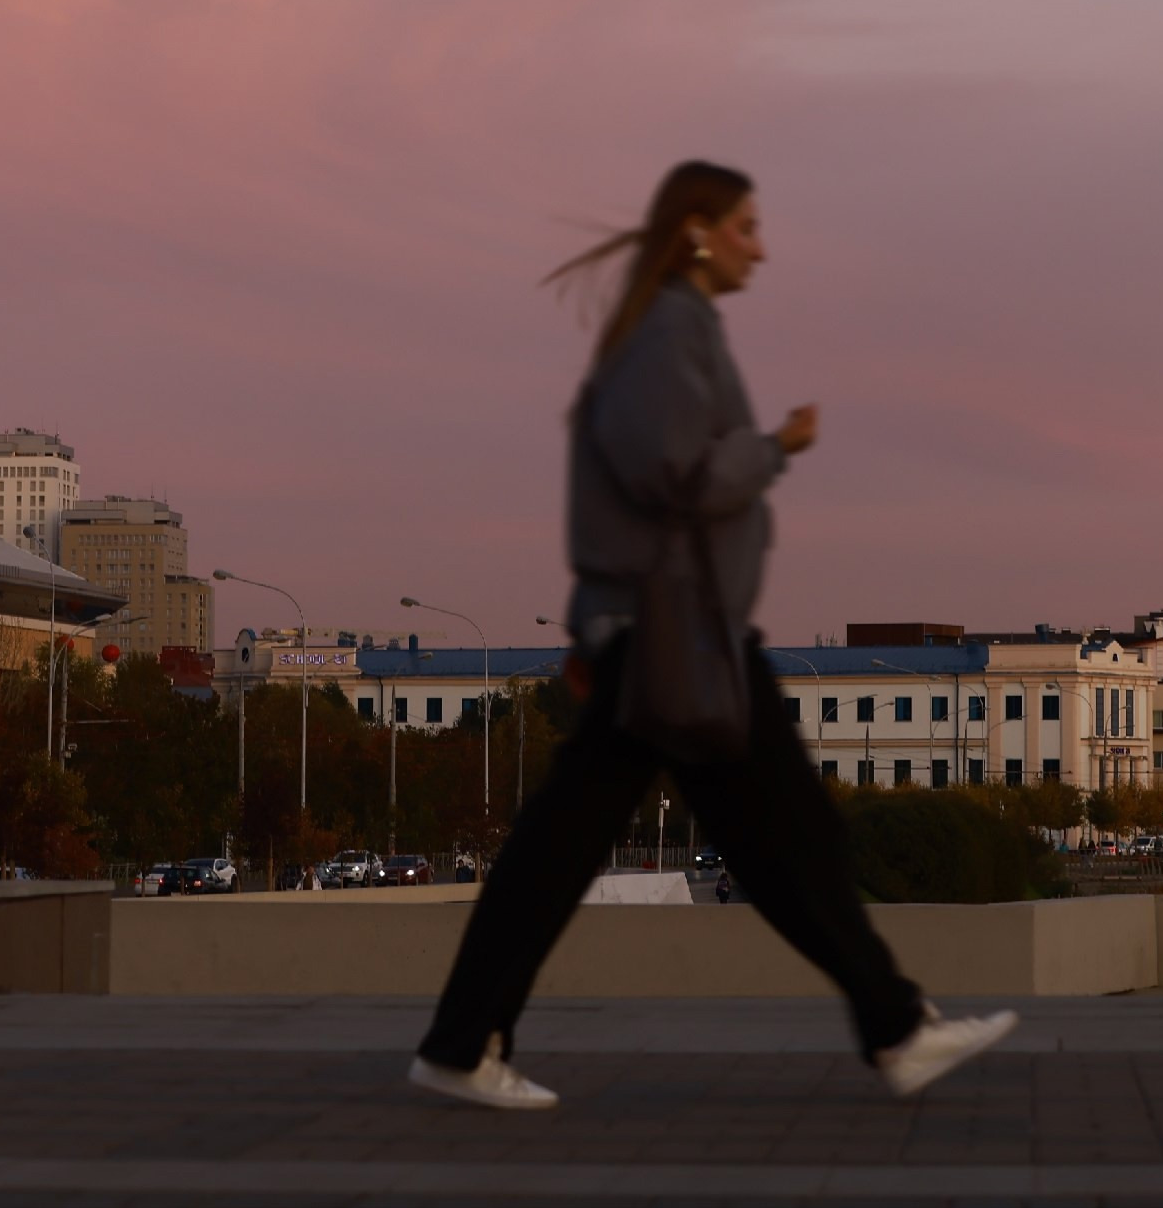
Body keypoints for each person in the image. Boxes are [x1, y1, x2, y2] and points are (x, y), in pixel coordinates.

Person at [407, 161, 1016, 1111]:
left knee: (646, 844)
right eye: (745, 226)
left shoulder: (667, 331)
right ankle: (895, 1028)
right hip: (675, 634)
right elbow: (675, 476)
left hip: (661, 630)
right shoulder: (668, 332)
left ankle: (460, 1040)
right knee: (773, 841)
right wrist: (776, 447)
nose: (759, 246)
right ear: (696, 229)